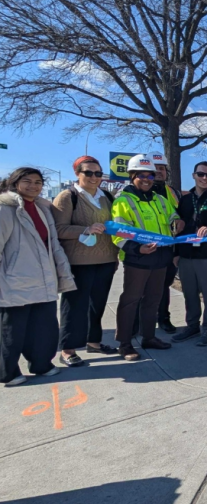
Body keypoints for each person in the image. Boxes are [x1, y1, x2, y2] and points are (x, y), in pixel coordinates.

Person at [0, 168, 76, 386]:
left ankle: (42, 364)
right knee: (12, 330)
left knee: (44, 327)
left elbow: (51, 243)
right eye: (27, 181)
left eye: (38, 182)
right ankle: (8, 371)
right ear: (15, 183)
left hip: (44, 277)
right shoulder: (5, 209)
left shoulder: (42, 208)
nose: (33, 186)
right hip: (15, 280)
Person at [111, 154, 182, 361]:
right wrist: (137, 249)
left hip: (161, 259)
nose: (146, 179)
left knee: (153, 300)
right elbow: (118, 233)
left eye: (150, 175)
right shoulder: (123, 201)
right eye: (141, 175)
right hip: (138, 260)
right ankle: (125, 344)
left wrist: (178, 221)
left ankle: (149, 337)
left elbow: (172, 215)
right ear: (132, 176)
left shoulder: (160, 199)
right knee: (130, 300)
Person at [51, 156, 119, 367]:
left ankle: (94, 342)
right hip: (79, 262)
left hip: (106, 259)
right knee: (74, 306)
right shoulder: (67, 197)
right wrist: (85, 230)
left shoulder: (107, 196)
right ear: (77, 174)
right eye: (88, 173)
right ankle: (68, 349)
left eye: (98, 173)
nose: (93, 177)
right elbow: (58, 229)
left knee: (97, 304)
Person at [172, 161, 207, 347]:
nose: (205, 178)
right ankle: (192, 326)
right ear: (194, 175)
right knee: (189, 293)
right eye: (201, 174)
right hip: (186, 255)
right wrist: (176, 252)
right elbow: (178, 229)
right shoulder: (185, 200)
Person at [148, 151, 183, 334]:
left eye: (162, 168)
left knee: (164, 286)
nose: (159, 171)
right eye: (155, 168)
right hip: (145, 248)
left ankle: (163, 318)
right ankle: (141, 321)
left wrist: (177, 252)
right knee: (143, 287)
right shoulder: (140, 190)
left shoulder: (173, 192)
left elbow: (179, 220)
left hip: (169, 249)